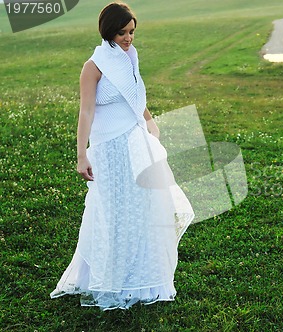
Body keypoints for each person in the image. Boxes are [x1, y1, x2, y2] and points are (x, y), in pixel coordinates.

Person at [50, 2, 194, 310]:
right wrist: (81, 155)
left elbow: (135, 96)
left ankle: (143, 279)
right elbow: (86, 112)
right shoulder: (94, 66)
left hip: (135, 144)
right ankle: (110, 280)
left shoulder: (130, 57)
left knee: (143, 211)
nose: (128, 38)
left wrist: (150, 122)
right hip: (108, 150)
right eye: (122, 33)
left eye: (131, 32)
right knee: (112, 214)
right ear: (108, 31)